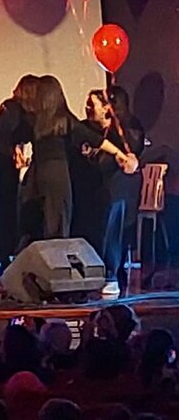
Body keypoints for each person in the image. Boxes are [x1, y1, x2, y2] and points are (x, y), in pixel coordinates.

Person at [20, 76, 137, 244]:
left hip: (36, 173)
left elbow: (16, 138)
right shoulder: (65, 119)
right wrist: (120, 154)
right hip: (57, 174)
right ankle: (57, 254)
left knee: (37, 219)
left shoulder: (32, 119)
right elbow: (96, 140)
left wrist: (17, 152)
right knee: (58, 219)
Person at [74, 88, 144, 297]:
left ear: (107, 108)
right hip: (91, 189)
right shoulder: (84, 129)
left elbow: (128, 159)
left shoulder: (127, 130)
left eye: (92, 105)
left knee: (113, 216)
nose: (87, 108)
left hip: (117, 190)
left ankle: (111, 274)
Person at [0, 75, 37, 291]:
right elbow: (7, 135)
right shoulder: (11, 107)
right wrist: (17, 151)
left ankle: (2, 256)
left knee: (7, 211)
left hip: (6, 164)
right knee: (1, 211)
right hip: (1, 164)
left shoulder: (21, 110)